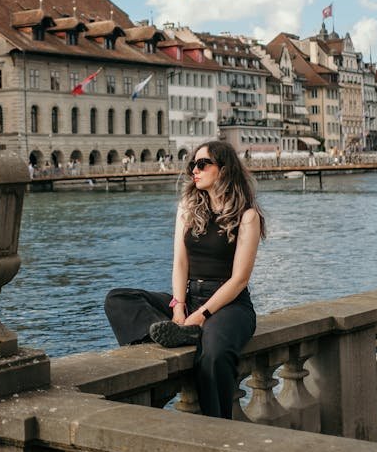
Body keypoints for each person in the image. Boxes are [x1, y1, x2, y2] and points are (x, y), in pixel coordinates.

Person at [104, 140, 264, 419]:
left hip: (230, 305)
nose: (195, 170)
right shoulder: (188, 208)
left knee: (214, 355)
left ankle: (218, 426)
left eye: (203, 164)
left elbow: (239, 279)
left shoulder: (247, 216)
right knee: (118, 299)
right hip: (189, 298)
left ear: (224, 170)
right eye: (192, 165)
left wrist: (203, 314)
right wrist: (178, 307)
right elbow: (179, 263)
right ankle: (179, 333)